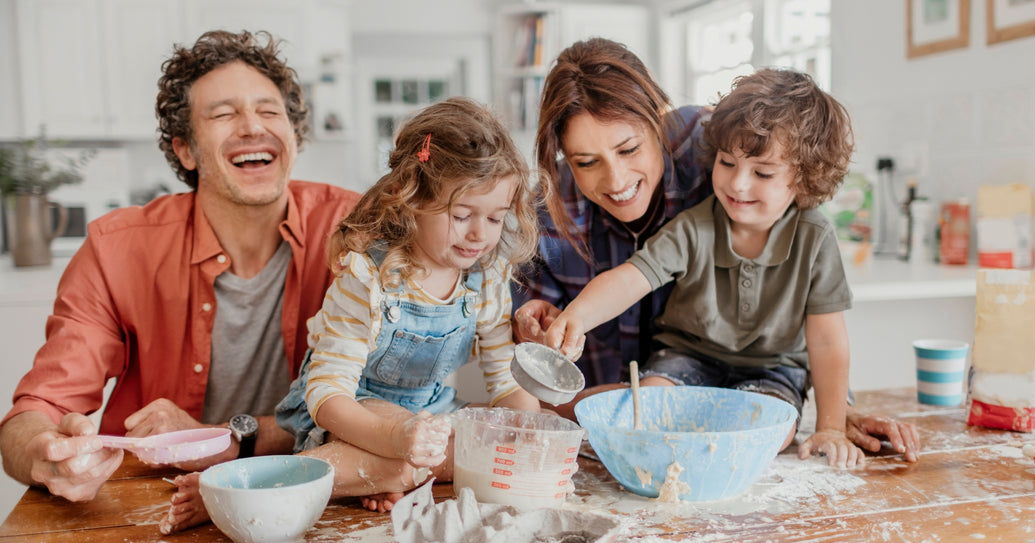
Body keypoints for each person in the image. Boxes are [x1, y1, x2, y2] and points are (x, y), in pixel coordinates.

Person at [512, 38, 921, 462]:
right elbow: (627, 279)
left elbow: (826, 339)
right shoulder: (694, 222)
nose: (738, 183)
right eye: (585, 161)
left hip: (770, 370)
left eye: (629, 148)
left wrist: (834, 420)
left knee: (770, 430)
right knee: (648, 408)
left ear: (660, 123)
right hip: (682, 360)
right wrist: (571, 318)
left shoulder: (734, 153)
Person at [0, 30, 360, 502]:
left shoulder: (356, 232)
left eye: (270, 111)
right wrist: (42, 455)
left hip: (315, 494)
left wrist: (221, 438)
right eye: (224, 113)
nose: (253, 126)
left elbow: (389, 404)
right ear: (186, 150)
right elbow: (36, 411)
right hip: (155, 501)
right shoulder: (117, 249)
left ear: (293, 136)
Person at [273, 96, 543, 509]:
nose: (479, 236)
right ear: (412, 197)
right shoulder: (367, 278)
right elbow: (328, 397)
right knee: (423, 454)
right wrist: (395, 439)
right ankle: (267, 487)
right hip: (355, 413)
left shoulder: (487, 279)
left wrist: (530, 433)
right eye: (462, 214)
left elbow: (506, 384)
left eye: (494, 218)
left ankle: (381, 474)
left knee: (483, 451)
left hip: (430, 416)